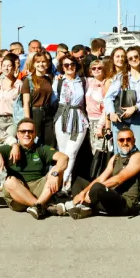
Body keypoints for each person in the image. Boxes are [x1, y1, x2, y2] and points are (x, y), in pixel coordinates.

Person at [52, 127, 140, 219]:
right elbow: (100, 178)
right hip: (111, 199)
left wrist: (90, 192)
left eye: (128, 139)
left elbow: (118, 179)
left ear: (134, 140)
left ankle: (74, 206)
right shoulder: (116, 158)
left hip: (126, 204)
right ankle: (84, 207)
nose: (125, 142)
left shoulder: (138, 157)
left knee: (97, 188)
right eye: (122, 140)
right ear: (117, 142)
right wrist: (83, 193)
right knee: (78, 181)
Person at [0, 117, 69, 219]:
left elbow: (64, 158)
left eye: (30, 131)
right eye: (23, 131)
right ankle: (42, 206)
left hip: (39, 189)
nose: (26, 134)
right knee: (9, 181)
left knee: (57, 171)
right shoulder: (9, 149)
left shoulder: (41, 149)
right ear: (18, 134)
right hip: (17, 195)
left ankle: (38, 206)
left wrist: (56, 172)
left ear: (35, 134)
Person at [104, 46, 140, 152]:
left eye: (136, 57)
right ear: (128, 61)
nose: (134, 59)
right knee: (120, 152)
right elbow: (108, 97)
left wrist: (135, 108)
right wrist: (111, 113)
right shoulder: (121, 77)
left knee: (138, 150)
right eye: (130, 58)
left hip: (138, 117)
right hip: (120, 118)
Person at [53, 55, 88, 193]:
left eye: (72, 64)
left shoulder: (84, 81)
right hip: (62, 118)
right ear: (62, 67)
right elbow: (52, 100)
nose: (69, 67)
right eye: (66, 65)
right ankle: (61, 184)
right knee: (63, 153)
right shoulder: (58, 82)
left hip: (79, 119)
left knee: (71, 152)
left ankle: (65, 184)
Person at [85, 58, 113, 178]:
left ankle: (100, 178)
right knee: (94, 152)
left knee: (100, 152)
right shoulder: (88, 82)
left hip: (100, 121)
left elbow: (107, 107)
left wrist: (101, 125)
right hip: (89, 121)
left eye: (99, 68)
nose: (96, 70)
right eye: (94, 68)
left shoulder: (106, 83)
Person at [20, 51, 55, 142]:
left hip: (48, 113)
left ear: (47, 64)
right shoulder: (28, 80)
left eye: (43, 61)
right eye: (38, 62)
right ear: (34, 64)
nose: (41, 64)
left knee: (50, 141)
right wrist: (27, 120)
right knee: (35, 141)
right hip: (35, 113)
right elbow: (26, 102)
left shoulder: (49, 79)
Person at [0, 53, 20, 132]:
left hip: (13, 119)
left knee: (9, 142)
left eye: (9, 66)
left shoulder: (19, 84)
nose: (6, 68)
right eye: (4, 66)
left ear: (14, 67)